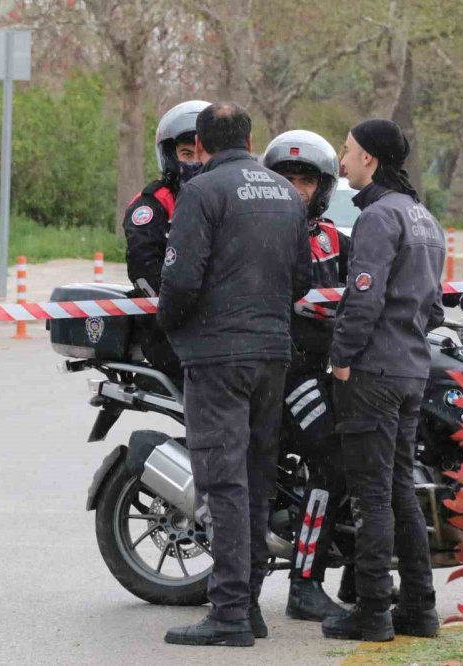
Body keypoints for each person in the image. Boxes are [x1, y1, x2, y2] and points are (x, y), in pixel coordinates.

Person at [157, 103, 311, 647]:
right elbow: (303, 277)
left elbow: (179, 281)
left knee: (223, 482)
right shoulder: (286, 192)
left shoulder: (201, 191)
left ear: (199, 144)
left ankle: (227, 615)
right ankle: (247, 607)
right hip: (272, 354)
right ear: (250, 138)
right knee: (256, 480)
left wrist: (172, 330)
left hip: (218, 357)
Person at [321, 119, 445, 642]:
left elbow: (363, 296)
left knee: (371, 496)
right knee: (398, 491)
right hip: (413, 369)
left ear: (370, 159)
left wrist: (342, 358)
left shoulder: (376, 216)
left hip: (373, 371)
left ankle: (372, 611)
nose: (341, 162)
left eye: (347, 152)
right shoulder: (423, 217)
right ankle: (419, 608)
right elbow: (435, 307)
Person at [261, 130, 349, 622]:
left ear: (324, 187)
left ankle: (362, 569)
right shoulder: (258, 238)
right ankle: (304, 583)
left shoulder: (338, 240)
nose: (296, 188)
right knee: (332, 460)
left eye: (306, 180)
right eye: (286, 178)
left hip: (335, 370)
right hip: (289, 372)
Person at [124, 100, 210, 378]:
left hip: (223, 324)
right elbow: (143, 268)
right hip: (167, 328)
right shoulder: (152, 205)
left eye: (202, 153)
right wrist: (181, 313)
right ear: (170, 156)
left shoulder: (228, 200)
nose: (195, 162)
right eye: (186, 153)